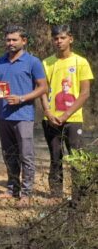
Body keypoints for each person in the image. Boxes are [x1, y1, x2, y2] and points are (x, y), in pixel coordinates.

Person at [0, 26, 48, 207]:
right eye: (8, 40)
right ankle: (12, 189)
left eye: (14, 39)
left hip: (24, 116)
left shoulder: (33, 62)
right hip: (3, 116)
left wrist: (22, 98)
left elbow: (43, 87)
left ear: (24, 41)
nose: (10, 43)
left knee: (26, 155)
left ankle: (26, 193)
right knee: (9, 154)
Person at [40, 25, 93, 198]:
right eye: (55, 38)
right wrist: (48, 112)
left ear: (70, 39)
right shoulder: (46, 63)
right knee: (56, 158)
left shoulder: (80, 62)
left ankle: (79, 197)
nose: (59, 41)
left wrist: (66, 114)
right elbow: (43, 90)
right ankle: (56, 196)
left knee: (76, 158)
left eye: (62, 38)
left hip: (73, 119)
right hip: (51, 119)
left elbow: (85, 93)